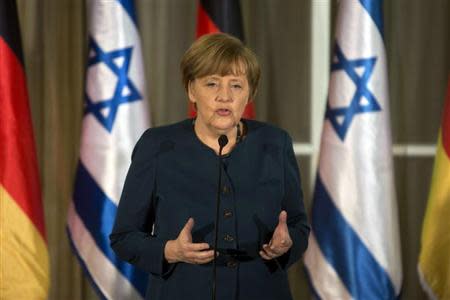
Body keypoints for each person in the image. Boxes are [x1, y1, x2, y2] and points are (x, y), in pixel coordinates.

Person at [110, 33, 310, 300]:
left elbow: (298, 225)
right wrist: (170, 250)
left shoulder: (275, 143)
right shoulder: (157, 146)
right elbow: (124, 237)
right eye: (212, 84)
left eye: (236, 86)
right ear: (191, 90)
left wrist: (287, 244)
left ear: (250, 93)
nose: (224, 96)